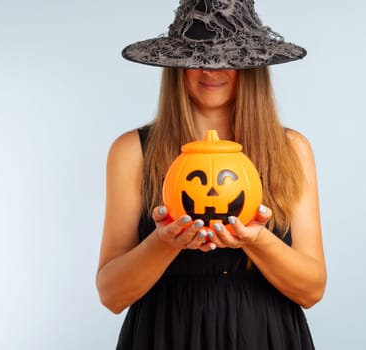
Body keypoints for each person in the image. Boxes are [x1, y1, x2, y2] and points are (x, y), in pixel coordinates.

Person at [96, 1, 327, 349]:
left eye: (227, 58)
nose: (211, 69)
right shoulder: (132, 151)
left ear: (249, 66)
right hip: (166, 334)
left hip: (264, 334)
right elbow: (111, 295)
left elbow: (312, 290)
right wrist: (164, 242)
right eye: (196, 56)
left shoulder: (291, 148)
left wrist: (255, 240)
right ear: (176, 66)